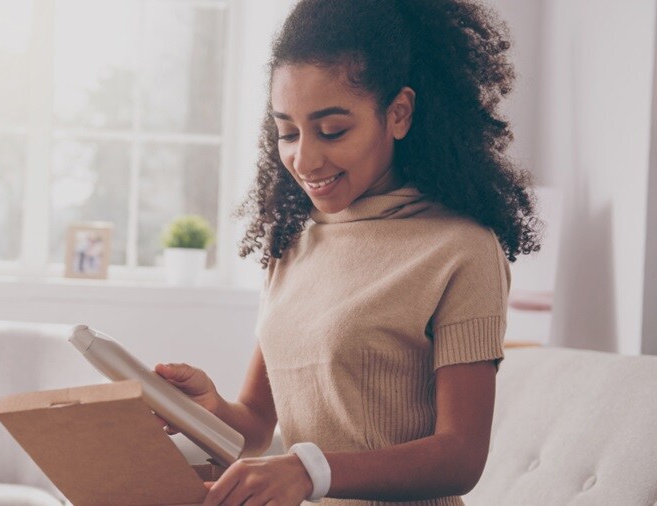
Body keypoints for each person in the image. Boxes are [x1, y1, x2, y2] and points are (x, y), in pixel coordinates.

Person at [155, 0, 540, 504]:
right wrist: (209, 408)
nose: (304, 158)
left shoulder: (461, 249)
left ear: (398, 113)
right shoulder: (294, 243)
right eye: (287, 132)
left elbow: (460, 456)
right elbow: (254, 424)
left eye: (332, 130)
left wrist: (307, 471)